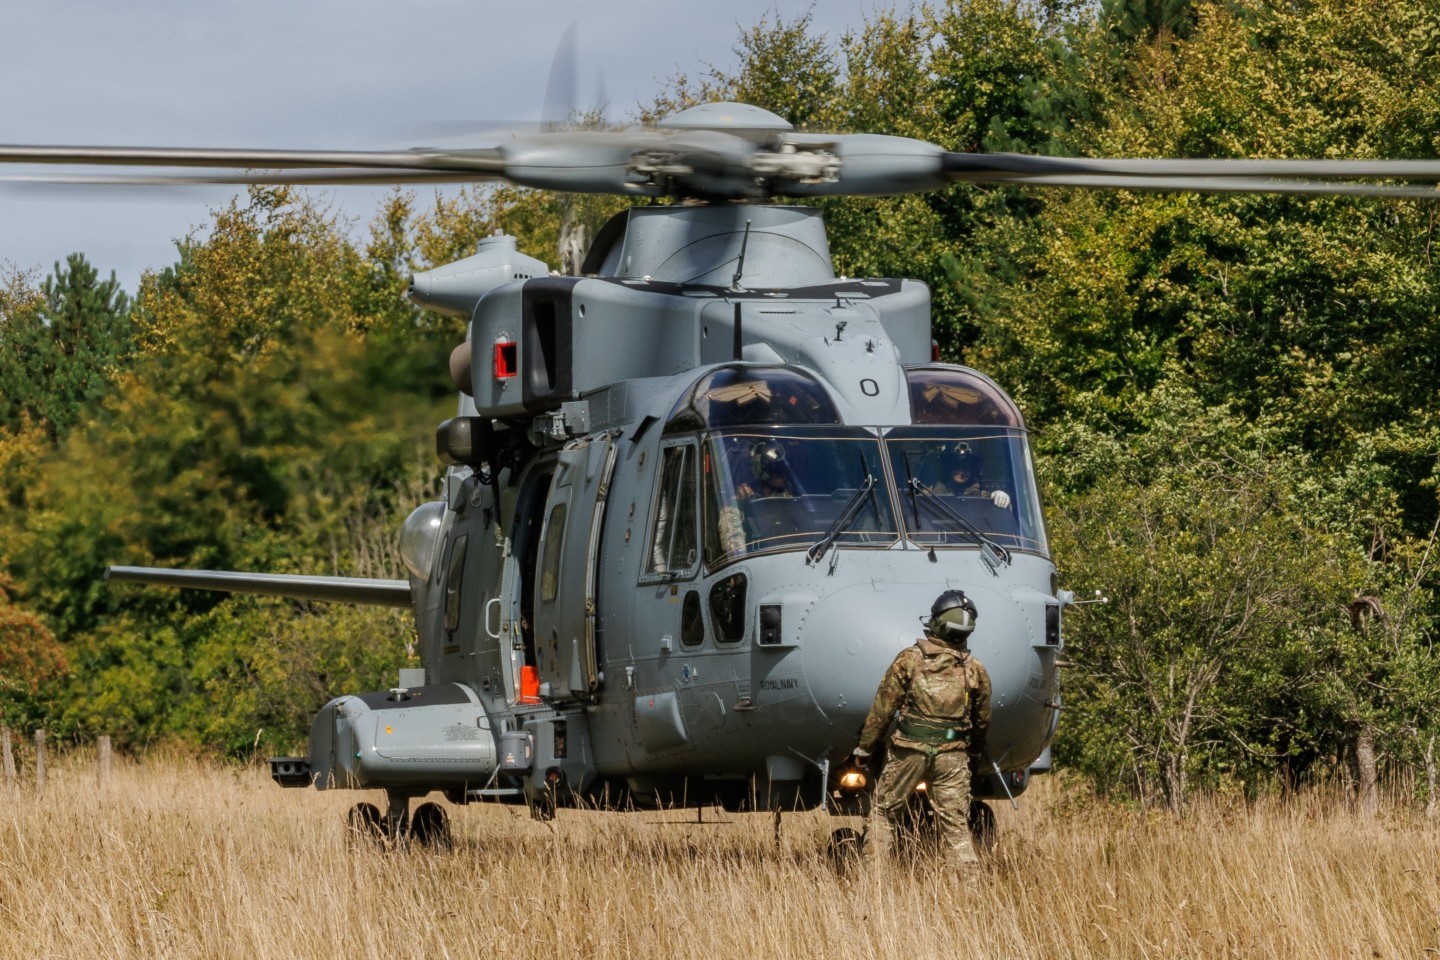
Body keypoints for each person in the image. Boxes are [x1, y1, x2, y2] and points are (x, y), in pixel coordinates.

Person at [853, 590, 992, 869]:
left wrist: (864, 750)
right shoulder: (975, 669)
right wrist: (973, 754)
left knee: (883, 815)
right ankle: (969, 895)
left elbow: (882, 710)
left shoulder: (909, 659)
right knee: (955, 827)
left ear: (937, 623)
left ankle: (873, 885)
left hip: (908, 752)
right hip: (952, 757)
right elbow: (982, 721)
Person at [933, 442, 1010, 510]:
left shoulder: (984, 498)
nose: (961, 470)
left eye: (966, 465)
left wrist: (1000, 498)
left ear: (974, 469)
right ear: (948, 467)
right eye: (956, 465)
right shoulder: (931, 494)